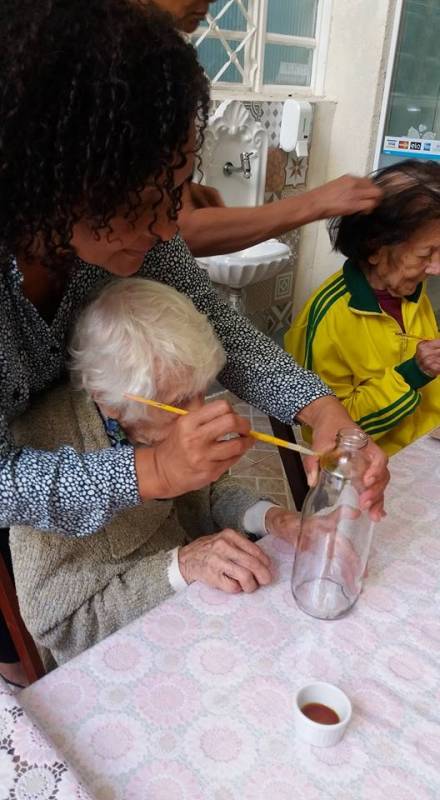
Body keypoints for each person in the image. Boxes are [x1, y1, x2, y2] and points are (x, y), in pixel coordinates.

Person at [0, 0, 387, 680]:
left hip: (88, 457)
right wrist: (152, 471)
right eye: (155, 195)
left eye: (178, 189)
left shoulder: (125, 232)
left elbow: (212, 319)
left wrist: (320, 409)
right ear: (64, 178)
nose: (171, 226)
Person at [10, 279, 302, 666]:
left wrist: (272, 518)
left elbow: (211, 492)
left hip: (198, 615)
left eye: (203, 390)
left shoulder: (149, 411)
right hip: (122, 659)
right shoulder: (46, 452)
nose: (197, 413)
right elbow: (62, 626)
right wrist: (181, 566)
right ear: (106, 397)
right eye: (179, 402)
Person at [153, 0, 384, 257]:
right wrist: (315, 202)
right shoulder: (136, 78)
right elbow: (173, 230)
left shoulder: (164, 65)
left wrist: (179, 193)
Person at [285, 160, 440, 455]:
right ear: (375, 248)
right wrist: (412, 374)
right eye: (427, 253)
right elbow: (336, 429)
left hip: (423, 450)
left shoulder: (412, 293)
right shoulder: (332, 317)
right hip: (372, 466)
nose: (436, 267)